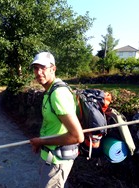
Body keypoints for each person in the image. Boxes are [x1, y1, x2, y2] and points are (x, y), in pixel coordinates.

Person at [29, 52, 84, 188]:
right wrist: (41, 143)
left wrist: (41, 141)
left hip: (57, 161)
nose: (39, 72)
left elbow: (77, 136)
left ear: (53, 69)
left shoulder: (58, 94)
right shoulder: (50, 91)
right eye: (36, 68)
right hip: (49, 157)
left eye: (43, 67)